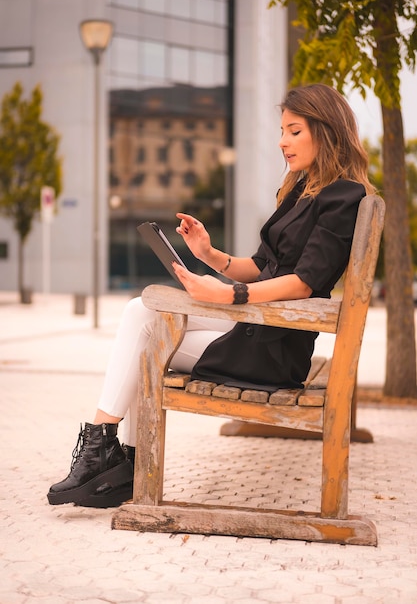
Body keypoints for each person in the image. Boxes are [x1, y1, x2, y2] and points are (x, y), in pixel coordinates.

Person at [47, 83, 375, 509]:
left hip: (275, 347)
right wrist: (210, 255)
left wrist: (230, 296)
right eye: (281, 131)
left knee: (148, 336)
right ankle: (108, 453)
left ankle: (110, 458)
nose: (282, 141)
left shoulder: (344, 196)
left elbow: (303, 283)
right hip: (259, 326)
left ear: (326, 130)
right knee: (142, 311)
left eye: (294, 131)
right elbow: (262, 266)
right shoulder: (301, 190)